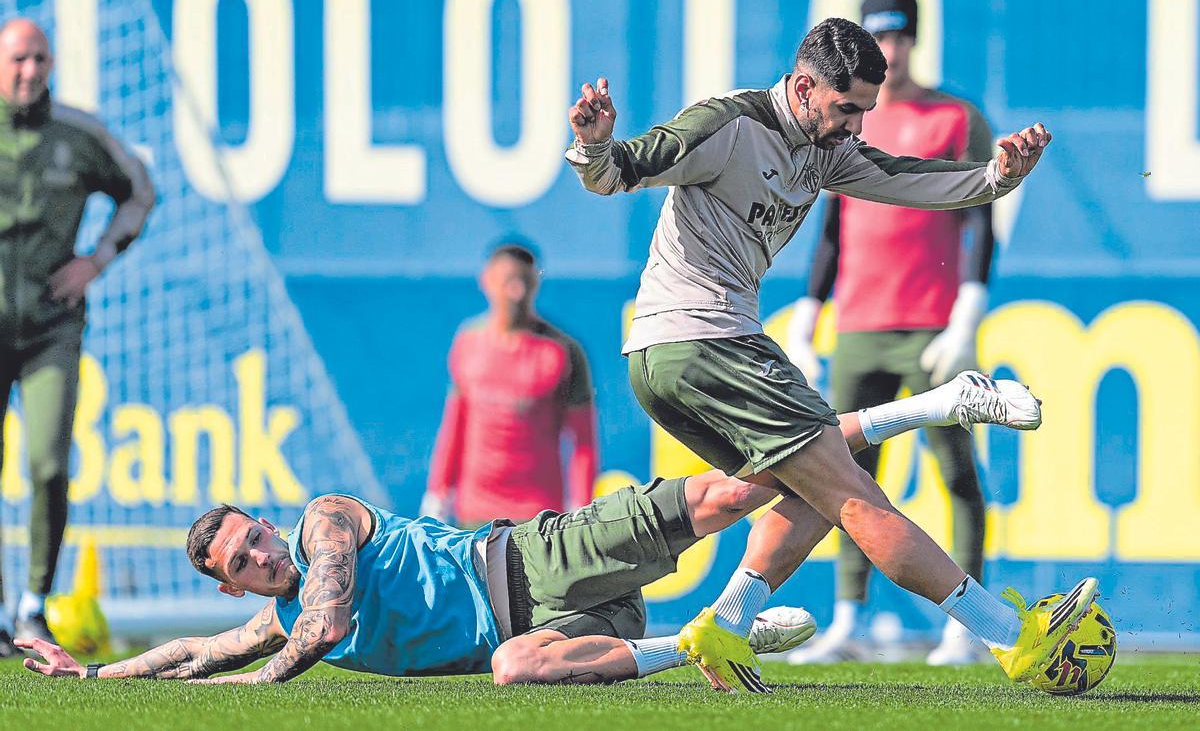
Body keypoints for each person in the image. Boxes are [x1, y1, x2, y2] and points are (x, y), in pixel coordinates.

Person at [564, 16, 1094, 693]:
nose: (857, 127)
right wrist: (594, 145)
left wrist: (999, 175)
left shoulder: (827, 147)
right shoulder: (729, 124)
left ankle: (728, 624)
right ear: (805, 86)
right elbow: (622, 171)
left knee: (817, 487)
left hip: (677, 356)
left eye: (866, 112)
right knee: (855, 495)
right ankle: (1014, 640)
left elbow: (912, 181)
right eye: (848, 109)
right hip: (704, 340)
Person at [17, 375, 1038, 688]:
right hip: (550, 624)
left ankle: (942, 400)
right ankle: (706, 637)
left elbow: (318, 628)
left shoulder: (324, 522)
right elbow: (199, 646)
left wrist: (250, 683)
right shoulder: (264, 616)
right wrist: (91, 679)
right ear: (238, 583)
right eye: (243, 561)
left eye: (254, 535)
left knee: (746, 492)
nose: (263, 552)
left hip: (536, 554)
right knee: (513, 670)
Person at [786, 0, 997, 666]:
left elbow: (980, 217)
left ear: (915, 38)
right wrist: (809, 317)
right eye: (882, 36)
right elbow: (832, 230)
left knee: (956, 472)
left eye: (901, 35)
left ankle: (968, 623)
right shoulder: (850, 118)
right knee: (844, 475)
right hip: (860, 324)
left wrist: (968, 309)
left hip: (931, 328)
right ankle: (848, 617)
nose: (894, 48)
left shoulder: (955, 117)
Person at [0, 18, 154, 654]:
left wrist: (96, 260)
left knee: (47, 465)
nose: (29, 71)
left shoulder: (78, 134)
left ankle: (33, 607)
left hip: (49, 331)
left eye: (39, 59)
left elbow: (140, 191)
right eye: (17, 60)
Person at [422, 243, 598, 528]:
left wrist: (580, 505)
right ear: (487, 281)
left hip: (538, 514)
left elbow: (583, 442)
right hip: (475, 512)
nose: (517, 292)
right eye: (509, 281)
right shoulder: (468, 341)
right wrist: (437, 494)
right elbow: (455, 424)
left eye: (525, 282)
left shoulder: (563, 351)